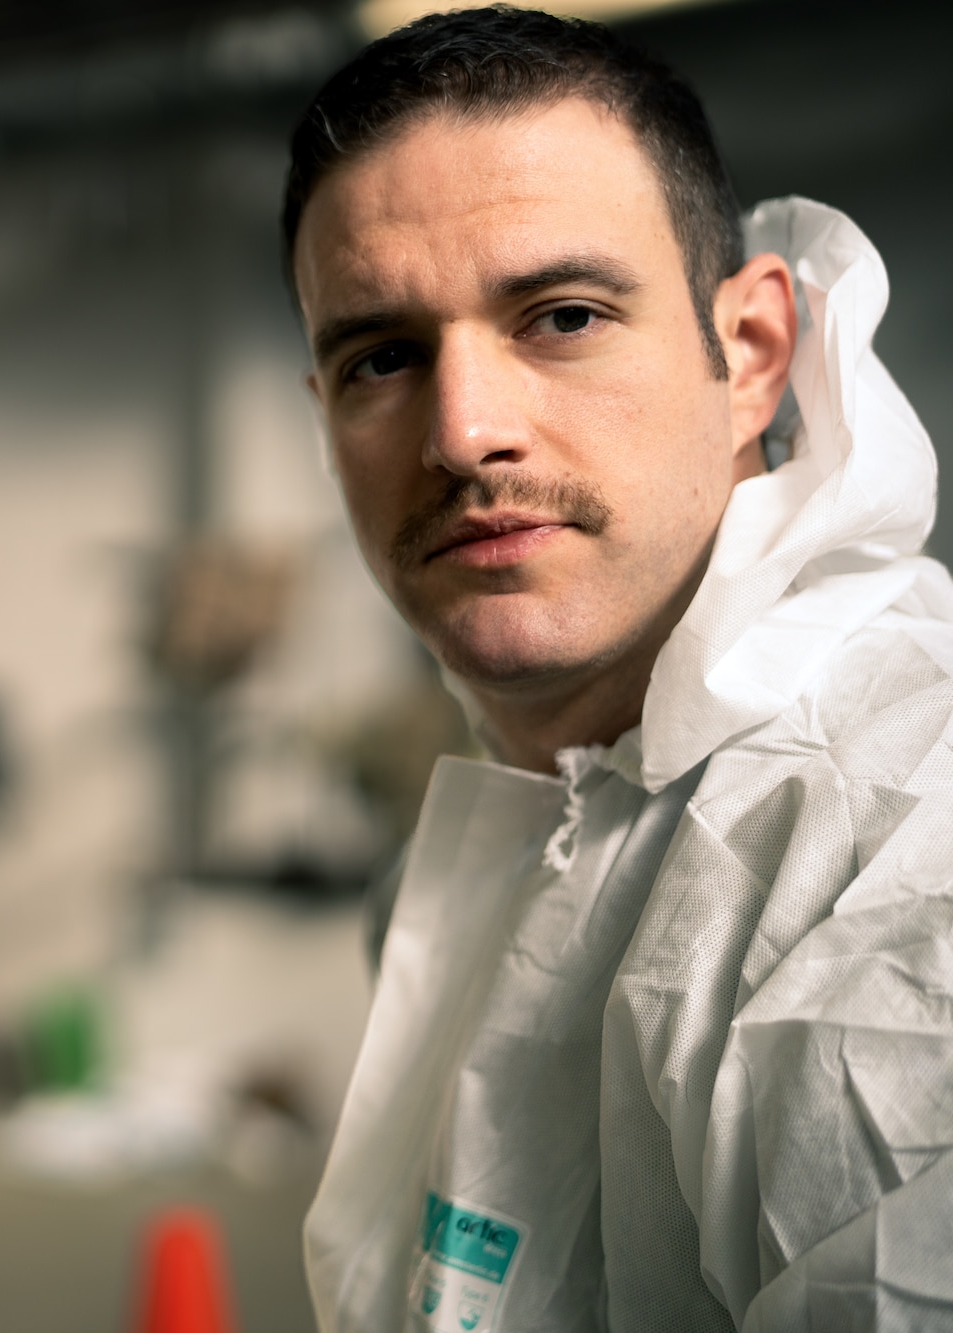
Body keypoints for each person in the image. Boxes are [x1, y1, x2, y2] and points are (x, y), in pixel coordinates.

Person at [285, 9, 953, 1331]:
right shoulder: (531, 827)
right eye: (381, 357)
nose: (465, 432)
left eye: (564, 316)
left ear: (751, 354)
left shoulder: (897, 861)